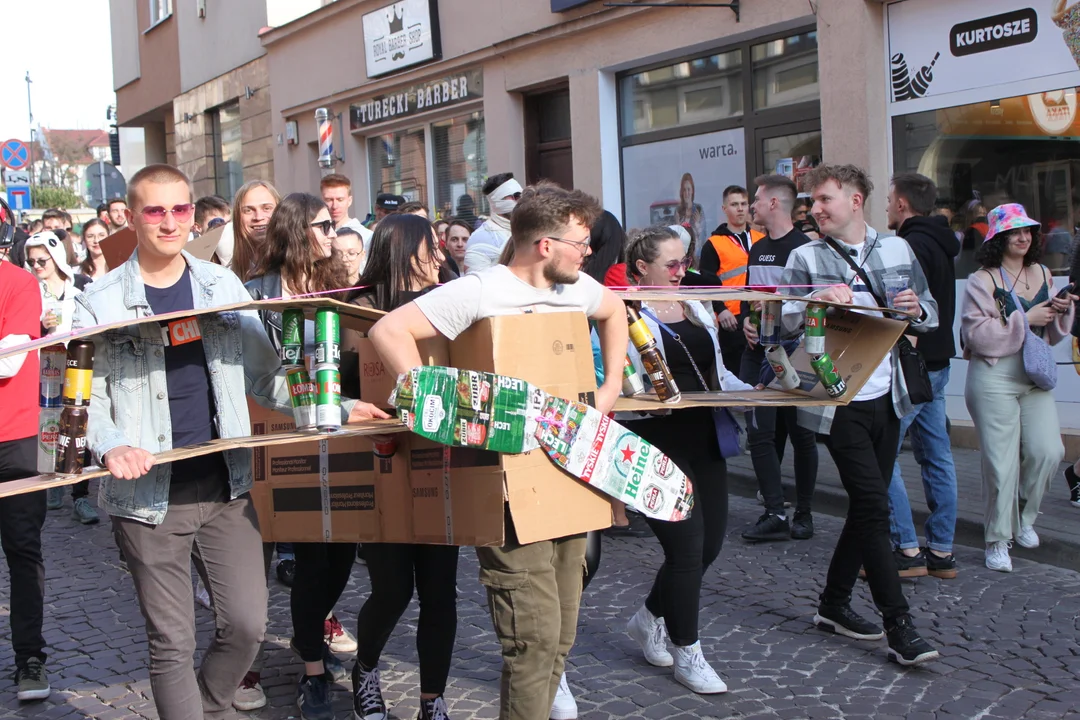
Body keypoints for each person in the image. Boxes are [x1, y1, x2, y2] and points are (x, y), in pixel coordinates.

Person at [71, 164, 388, 720]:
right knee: (172, 642)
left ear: (193, 214)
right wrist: (112, 444)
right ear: (133, 215)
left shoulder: (221, 287)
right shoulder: (100, 301)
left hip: (226, 485)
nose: (170, 222)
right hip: (147, 496)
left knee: (246, 626)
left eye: (180, 209)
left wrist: (335, 406)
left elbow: (267, 381)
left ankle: (212, 707)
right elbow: (86, 401)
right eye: (155, 210)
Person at [368, 181, 628, 720]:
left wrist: (609, 391)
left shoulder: (575, 288)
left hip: (569, 475)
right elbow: (390, 330)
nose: (589, 253)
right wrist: (434, 399)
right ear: (545, 245)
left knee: (560, 638)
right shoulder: (479, 290)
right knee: (532, 642)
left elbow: (616, 312)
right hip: (508, 487)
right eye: (581, 243)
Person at [779, 164, 940, 666]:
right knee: (875, 506)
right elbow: (777, 323)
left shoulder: (896, 248)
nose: (815, 208)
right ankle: (900, 626)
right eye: (812, 200)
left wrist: (917, 308)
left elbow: (929, 312)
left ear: (855, 200)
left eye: (824, 199)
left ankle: (832, 604)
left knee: (866, 507)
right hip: (835, 401)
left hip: (888, 397)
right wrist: (813, 303)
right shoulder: (804, 255)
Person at [620, 225, 754, 695]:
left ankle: (647, 617)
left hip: (706, 434)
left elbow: (716, 374)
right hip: (656, 440)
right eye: (672, 265)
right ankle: (688, 652)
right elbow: (616, 383)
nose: (684, 272)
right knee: (686, 549)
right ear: (643, 268)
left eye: (685, 263)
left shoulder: (695, 305)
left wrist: (762, 392)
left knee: (710, 547)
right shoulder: (624, 312)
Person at [245, 193, 360, 719]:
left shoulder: (337, 286)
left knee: (344, 554)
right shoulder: (257, 294)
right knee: (313, 558)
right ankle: (312, 668)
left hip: (344, 434)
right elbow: (257, 378)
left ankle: (307, 636)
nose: (331, 234)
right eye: (322, 225)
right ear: (297, 231)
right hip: (289, 438)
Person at [345, 214, 459, 720]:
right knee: (392, 589)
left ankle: (432, 700)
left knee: (440, 591)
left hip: (442, 460)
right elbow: (346, 386)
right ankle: (365, 668)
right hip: (382, 463)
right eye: (430, 247)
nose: (439, 255)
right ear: (402, 251)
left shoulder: (450, 297)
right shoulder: (358, 308)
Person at [960, 203, 1076, 573]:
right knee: (1000, 463)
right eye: (1014, 232)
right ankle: (998, 540)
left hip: (1034, 373)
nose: (1023, 237)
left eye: (1028, 231)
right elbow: (975, 335)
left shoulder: (1042, 271)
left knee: (1048, 451)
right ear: (998, 238)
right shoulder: (983, 280)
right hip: (994, 374)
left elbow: (1052, 332)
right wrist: (1026, 319)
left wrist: (1061, 309)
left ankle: (1023, 518)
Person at [883, 173, 961, 579]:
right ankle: (943, 552)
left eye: (889, 198)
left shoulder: (907, 244)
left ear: (902, 204)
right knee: (938, 456)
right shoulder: (942, 240)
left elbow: (907, 309)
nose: (886, 206)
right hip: (940, 363)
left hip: (915, 366)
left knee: (883, 454)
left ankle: (906, 548)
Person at [738, 175, 818, 543]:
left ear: (773, 203)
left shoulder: (805, 248)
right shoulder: (756, 248)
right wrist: (746, 324)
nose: (751, 206)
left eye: (756, 199)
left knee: (802, 435)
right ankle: (774, 511)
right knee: (759, 434)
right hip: (756, 353)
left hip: (793, 354)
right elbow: (748, 300)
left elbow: (812, 308)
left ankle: (804, 513)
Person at [0, 253, 51, 703]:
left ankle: (30, 659)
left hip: (15, 438)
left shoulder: (18, 282)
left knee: (22, 552)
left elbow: (9, 359)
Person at [24, 231, 98, 522]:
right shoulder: (30, 291)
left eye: (42, 260)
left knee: (79, 424)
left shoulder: (79, 288)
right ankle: (53, 481)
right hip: (45, 368)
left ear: (55, 257)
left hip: (77, 367)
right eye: (31, 261)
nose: (37, 266)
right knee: (49, 423)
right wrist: (40, 325)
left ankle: (80, 495)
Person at [701, 186, 765, 373]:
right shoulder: (714, 243)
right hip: (732, 318)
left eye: (744, 204)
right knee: (736, 370)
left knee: (761, 368)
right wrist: (720, 309)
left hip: (759, 311)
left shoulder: (761, 239)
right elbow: (707, 283)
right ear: (724, 209)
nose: (740, 209)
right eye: (734, 204)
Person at [462, 173, 522, 273]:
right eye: (516, 196)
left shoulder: (527, 230)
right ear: (497, 200)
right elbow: (476, 284)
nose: (521, 200)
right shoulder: (481, 238)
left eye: (522, 195)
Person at [230, 180, 280, 283]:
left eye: (266, 208)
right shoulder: (228, 277)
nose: (258, 217)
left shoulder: (296, 266)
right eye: (248, 210)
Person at [320, 174, 374, 265]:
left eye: (340, 199)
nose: (334, 206)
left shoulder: (367, 237)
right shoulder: (316, 235)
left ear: (349, 201)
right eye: (329, 200)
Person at [673, 173, 706, 258]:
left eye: (688, 189)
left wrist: (697, 225)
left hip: (697, 256)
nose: (687, 193)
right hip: (682, 256)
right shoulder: (678, 211)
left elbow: (703, 237)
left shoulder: (698, 209)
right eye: (684, 190)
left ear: (692, 191)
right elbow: (675, 238)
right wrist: (677, 226)